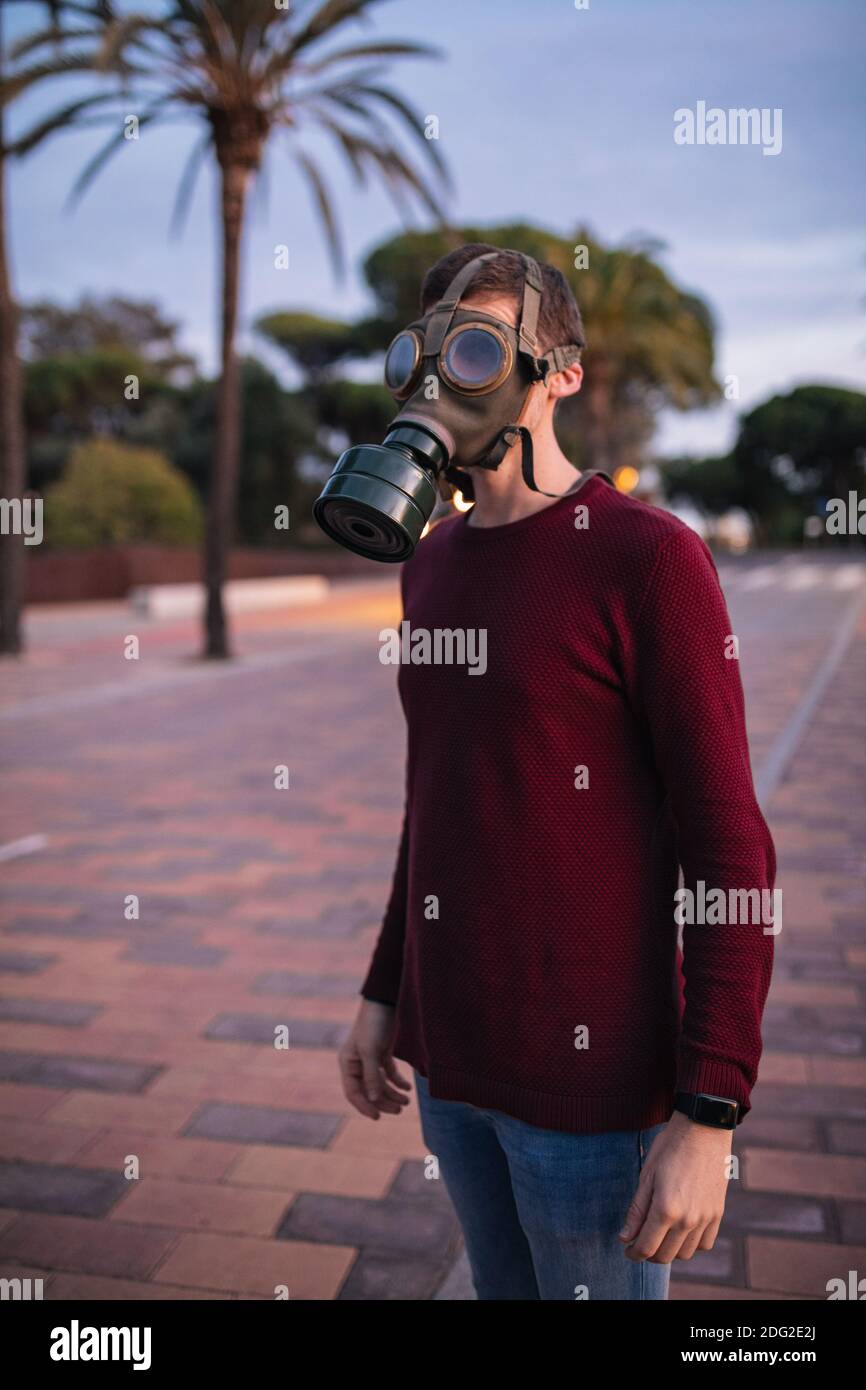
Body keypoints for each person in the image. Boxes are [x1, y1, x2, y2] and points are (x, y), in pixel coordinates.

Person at [337, 243, 776, 1301]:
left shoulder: (644, 556)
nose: (448, 377)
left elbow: (728, 844)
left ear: (560, 373)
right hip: (451, 1066)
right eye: (429, 351)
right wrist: (385, 992)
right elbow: (436, 797)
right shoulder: (431, 562)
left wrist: (707, 1112)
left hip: (591, 1090)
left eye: (481, 347)